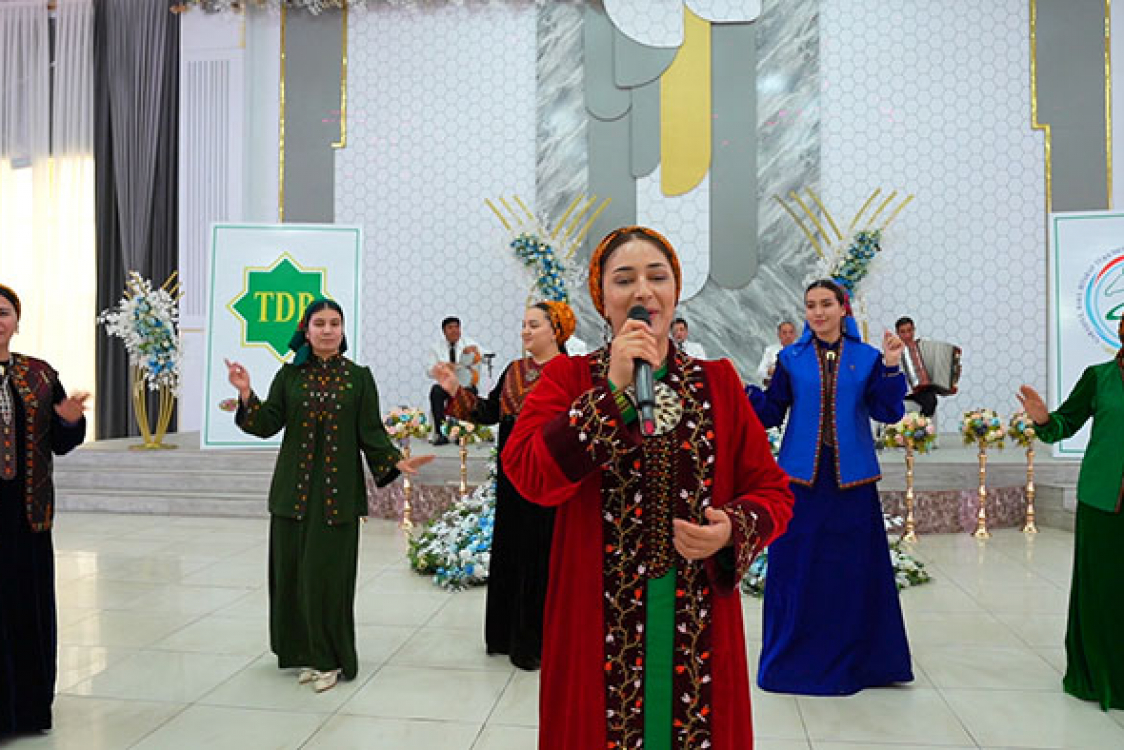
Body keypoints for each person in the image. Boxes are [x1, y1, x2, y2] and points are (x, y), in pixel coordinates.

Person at [502, 227, 794, 749]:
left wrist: (730, 529)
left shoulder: (718, 382)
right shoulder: (569, 378)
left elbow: (772, 491)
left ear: (675, 291)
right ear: (602, 298)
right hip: (596, 617)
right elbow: (526, 472)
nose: (643, 291)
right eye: (624, 280)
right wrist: (610, 394)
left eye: (657, 277)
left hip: (698, 619)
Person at [225, 299, 432, 693]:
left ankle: (330, 658)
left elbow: (371, 433)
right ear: (306, 331)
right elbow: (266, 424)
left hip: (337, 498)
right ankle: (303, 653)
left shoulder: (358, 378)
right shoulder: (290, 376)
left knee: (328, 580)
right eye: (319, 323)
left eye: (334, 323)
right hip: (292, 495)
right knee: (293, 577)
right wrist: (247, 392)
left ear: (342, 330)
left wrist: (394, 460)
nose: (327, 330)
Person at [747, 279, 912, 696]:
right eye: (811, 305)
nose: (818, 312)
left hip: (852, 484)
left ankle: (861, 660)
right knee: (796, 570)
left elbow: (887, 411)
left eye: (826, 304)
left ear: (843, 308)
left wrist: (892, 365)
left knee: (851, 571)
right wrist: (739, 393)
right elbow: (771, 412)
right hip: (800, 483)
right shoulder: (791, 358)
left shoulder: (867, 357)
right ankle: (793, 658)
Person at [432, 300, 575, 670]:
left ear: (556, 331)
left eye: (534, 325)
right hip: (513, 478)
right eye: (524, 324)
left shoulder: (571, 373)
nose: (525, 331)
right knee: (512, 548)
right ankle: (504, 636)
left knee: (541, 554)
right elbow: (489, 412)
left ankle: (536, 643)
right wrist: (455, 389)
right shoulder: (514, 370)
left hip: (549, 478)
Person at [1017, 314, 1124, 710]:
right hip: (1104, 501)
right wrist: (1044, 419)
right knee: (1103, 591)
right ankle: (1100, 675)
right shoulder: (1099, 377)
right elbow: (1065, 423)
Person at [0, 284, 88, 736]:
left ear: (18, 321)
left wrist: (71, 420)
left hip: (27, 516)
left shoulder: (39, 375)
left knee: (25, 608)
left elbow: (60, 441)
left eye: (3, 312)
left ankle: (28, 710)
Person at [426, 316, 481, 445]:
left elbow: (483, 356)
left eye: (457, 327)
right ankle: (441, 433)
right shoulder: (435, 348)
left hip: (464, 385)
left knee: (471, 390)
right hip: (447, 385)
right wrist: (442, 367)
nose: (454, 330)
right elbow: (429, 371)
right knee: (435, 391)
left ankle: (462, 433)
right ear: (444, 331)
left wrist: (474, 354)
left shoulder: (469, 344)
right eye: (450, 328)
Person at [895, 316, 938, 417]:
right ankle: (918, 424)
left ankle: (921, 424)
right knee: (930, 400)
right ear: (897, 333)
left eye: (909, 330)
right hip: (904, 390)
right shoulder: (894, 352)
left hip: (922, 389)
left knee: (931, 398)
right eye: (903, 332)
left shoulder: (923, 347)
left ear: (914, 330)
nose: (907, 335)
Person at [755, 320, 797, 385]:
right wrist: (770, 372)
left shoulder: (802, 351)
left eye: (791, 332)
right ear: (779, 335)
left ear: (795, 335)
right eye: (784, 333)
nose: (788, 336)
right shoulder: (770, 350)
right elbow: (760, 372)